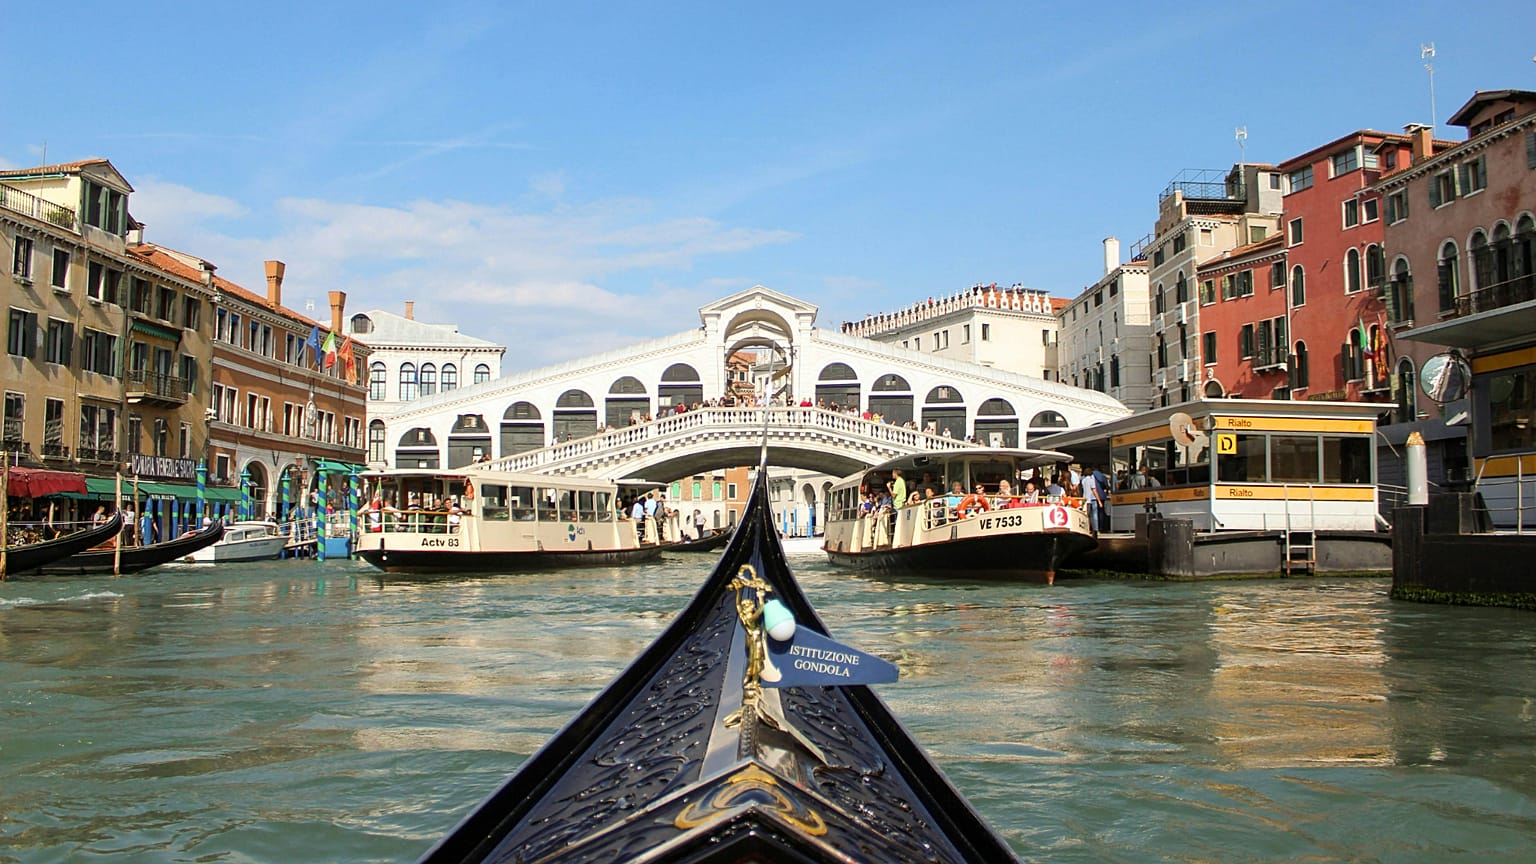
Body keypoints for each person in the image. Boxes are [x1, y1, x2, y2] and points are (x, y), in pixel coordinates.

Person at [1080, 464, 1105, 537]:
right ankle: (1096, 530)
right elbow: (1094, 490)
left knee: (1086, 515)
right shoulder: (1091, 480)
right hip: (1093, 499)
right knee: (1094, 515)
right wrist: (1099, 501)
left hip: (1085, 499)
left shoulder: (1083, 480)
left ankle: (1087, 529)